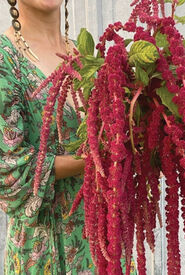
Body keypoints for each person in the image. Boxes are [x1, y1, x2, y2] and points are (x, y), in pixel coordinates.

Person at [0, 1, 136, 274]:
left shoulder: (88, 56)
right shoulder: (5, 60)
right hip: (47, 250)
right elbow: (7, 172)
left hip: (106, 243)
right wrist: (94, 158)